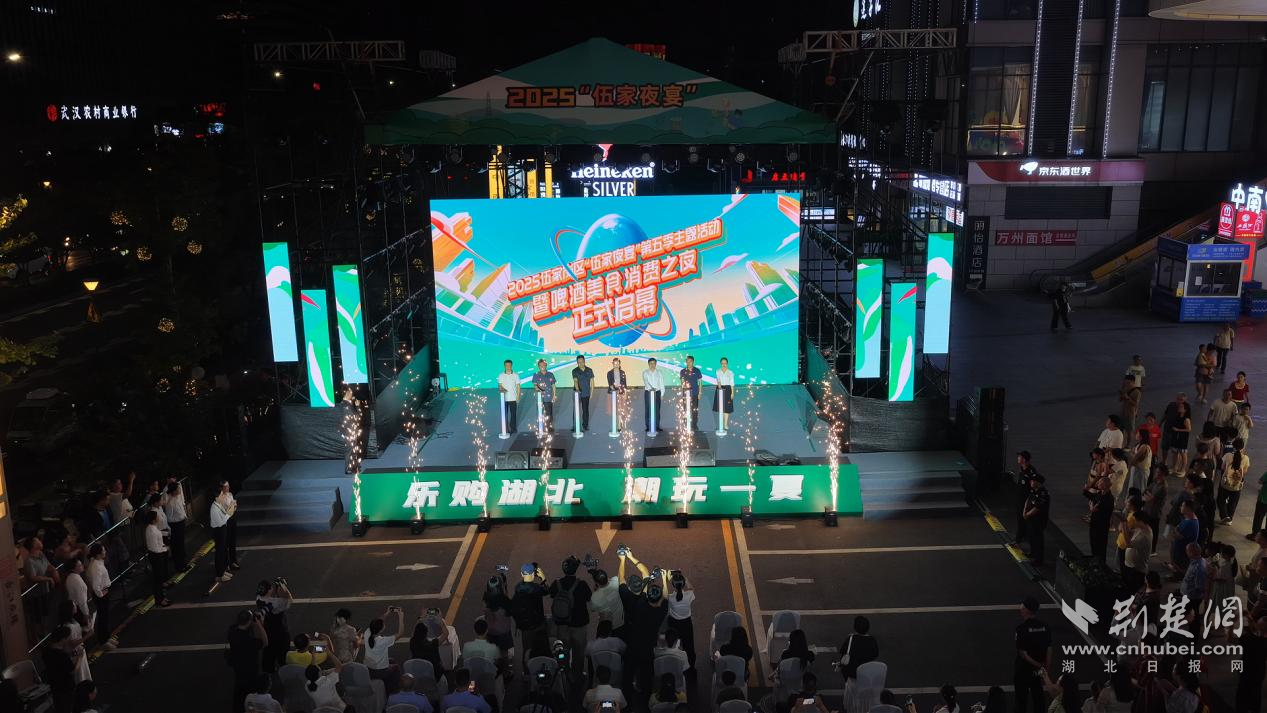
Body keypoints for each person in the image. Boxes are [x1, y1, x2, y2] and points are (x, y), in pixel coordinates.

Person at [549, 555, 592, 670]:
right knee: (579, 653)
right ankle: (577, 674)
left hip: (562, 625)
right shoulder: (582, 584)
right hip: (579, 625)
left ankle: (564, 673)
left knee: (563, 652)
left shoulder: (557, 584)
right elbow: (589, 598)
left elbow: (551, 593)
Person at [1013, 597, 1051, 713]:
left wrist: (1037, 664)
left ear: (1026, 610)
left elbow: (1023, 654)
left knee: (1021, 699)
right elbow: (1049, 648)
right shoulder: (1045, 626)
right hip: (1037, 670)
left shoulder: (1021, 629)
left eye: (1022, 605)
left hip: (1023, 669)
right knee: (1038, 695)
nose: (1020, 607)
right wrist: (1045, 666)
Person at [511, 562, 549, 673]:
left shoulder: (518, 588)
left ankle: (526, 672)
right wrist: (543, 578)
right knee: (541, 647)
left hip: (525, 627)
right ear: (533, 574)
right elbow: (547, 590)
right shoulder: (537, 588)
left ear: (522, 574)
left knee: (527, 649)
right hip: (538, 624)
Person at [228, 609, 268, 713]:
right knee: (250, 693)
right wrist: (259, 624)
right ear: (250, 621)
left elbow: (243, 626)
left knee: (239, 691)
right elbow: (265, 642)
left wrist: (251, 622)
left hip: (238, 666)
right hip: (250, 669)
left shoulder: (232, 631)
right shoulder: (249, 641)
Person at [256, 579, 293, 674]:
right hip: (280, 630)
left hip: (268, 628)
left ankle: (269, 669)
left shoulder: (259, 598)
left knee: (269, 650)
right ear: (269, 590)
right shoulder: (276, 602)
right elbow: (289, 600)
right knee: (283, 651)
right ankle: (284, 667)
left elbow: (272, 600)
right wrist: (284, 587)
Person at [364, 607, 405, 692]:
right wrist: (401, 617)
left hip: (368, 668)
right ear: (381, 629)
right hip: (379, 671)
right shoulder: (383, 641)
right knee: (396, 667)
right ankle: (394, 689)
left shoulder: (367, 633)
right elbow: (400, 633)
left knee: (392, 660)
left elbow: (378, 621)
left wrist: (387, 613)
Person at [665, 569, 696, 669]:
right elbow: (691, 588)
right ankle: (691, 664)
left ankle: (674, 661)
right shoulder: (689, 595)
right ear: (683, 585)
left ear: (673, 586)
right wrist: (686, 580)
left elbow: (664, 594)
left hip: (674, 623)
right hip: (687, 623)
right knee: (689, 645)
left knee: (673, 642)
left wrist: (665, 580)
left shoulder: (670, 597)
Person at [43, 627, 78, 713]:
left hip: (54, 685)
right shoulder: (62, 656)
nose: (69, 640)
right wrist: (79, 658)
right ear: (62, 639)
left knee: (59, 706)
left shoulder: (46, 651)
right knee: (66, 708)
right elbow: (73, 670)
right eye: (68, 637)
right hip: (66, 687)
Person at [211, 481, 240, 583]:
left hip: (223, 527)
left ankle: (222, 571)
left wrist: (232, 508)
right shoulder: (215, 507)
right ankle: (220, 573)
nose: (222, 497)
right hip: (220, 529)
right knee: (220, 551)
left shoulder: (218, 505)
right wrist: (231, 508)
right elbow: (225, 515)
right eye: (221, 496)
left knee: (223, 549)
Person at [143, 510, 172, 607]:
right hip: (156, 556)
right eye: (157, 517)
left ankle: (161, 597)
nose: (159, 518)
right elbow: (155, 548)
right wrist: (165, 548)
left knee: (159, 578)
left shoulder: (152, 528)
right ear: (154, 520)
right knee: (158, 579)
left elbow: (158, 534)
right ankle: (159, 600)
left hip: (157, 555)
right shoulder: (151, 531)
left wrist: (165, 534)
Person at [587, 565, 625, 636]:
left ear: (597, 583)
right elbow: (613, 579)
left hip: (607, 627)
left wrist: (596, 590)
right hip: (621, 622)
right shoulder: (616, 581)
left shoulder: (595, 597)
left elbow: (593, 609)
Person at [85, 544, 111, 645]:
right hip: (101, 594)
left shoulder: (97, 562)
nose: (105, 552)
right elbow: (95, 585)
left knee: (105, 616)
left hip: (103, 592)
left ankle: (106, 637)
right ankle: (103, 640)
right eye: (103, 550)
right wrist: (101, 595)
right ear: (98, 554)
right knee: (103, 617)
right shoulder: (96, 567)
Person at [1219, 438, 1249, 523]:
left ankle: (1224, 516)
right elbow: (1245, 472)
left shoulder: (1228, 455)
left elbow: (1222, 468)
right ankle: (1229, 519)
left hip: (1225, 483)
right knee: (1233, 502)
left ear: (1233, 446)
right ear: (1243, 447)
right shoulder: (1246, 458)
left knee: (1221, 500)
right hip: (1237, 485)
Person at [1024, 475, 1051, 566]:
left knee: (1038, 538)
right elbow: (1028, 499)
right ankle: (1032, 552)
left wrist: (1027, 514)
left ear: (1038, 482)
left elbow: (1037, 508)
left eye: (1033, 481)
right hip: (1031, 518)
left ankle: (1038, 559)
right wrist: (1025, 511)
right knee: (1031, 536)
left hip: (1039, 519)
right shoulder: (1034, 490)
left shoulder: (1043, 494)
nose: (1031, 482)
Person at [1014, 451, 1040, 546]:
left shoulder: (1031, 472)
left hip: (1026, 501)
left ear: (1024, 460)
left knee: (1024, 520)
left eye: (1019, 457)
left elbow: (1034, 487)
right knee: (1020, 519)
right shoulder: (1022, 468)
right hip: (1019, 499)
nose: (1018, 458)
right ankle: (1023, 537)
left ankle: (1019, 539)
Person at [162, 479, 188, 571]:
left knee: (181, 544)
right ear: (173, 491)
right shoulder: (170, 502)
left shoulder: (177, 497)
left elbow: (181, 509)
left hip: (181, 523)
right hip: (175, 525)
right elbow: (170, 516)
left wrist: (184, 517)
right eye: (177, 489)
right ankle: (179, 566)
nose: (179, 490)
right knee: (177, 546)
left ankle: (183, 563)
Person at [1141, 466, 1168, 554]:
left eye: (1158, 472)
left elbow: (1151, 498)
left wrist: (1148, 496)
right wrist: (1148, 496)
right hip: (1147, 509)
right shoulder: (1155, 482)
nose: (1156, 474)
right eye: (1156, 472)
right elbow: (1145, 492)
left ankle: (1152, 550)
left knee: (1153, 531)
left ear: (1163, 474)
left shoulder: (1163, 487)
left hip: (1154, 513)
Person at [1087, 477, 1114, 562]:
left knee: (1100, 545)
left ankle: (1100, 563)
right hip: (1094, 523)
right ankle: (1095, 560)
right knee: (1093, 543)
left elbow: (1095, 509)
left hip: (1101, 526)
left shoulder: (1108, 498)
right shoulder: (1099, 493)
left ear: (1105, 485)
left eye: (1100, 482)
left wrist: (1092, 507)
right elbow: (1088, 495)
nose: (1098, 484)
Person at [1172, 500, 1201, 573]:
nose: (1180, 507)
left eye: (1182, 506)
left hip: (1183, 554)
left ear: (1188, 508)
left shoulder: (1191, 523)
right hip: (1180, 551)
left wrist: (1175, 532)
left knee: (1180, 570)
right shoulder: (1188, 518)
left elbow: (1178, 535)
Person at [531, 359, 557, 432]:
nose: (542, 366)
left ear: (546, 365)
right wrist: (540, 390)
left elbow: (553, 385)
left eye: (544, 365)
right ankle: (541, 427)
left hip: (548, 397)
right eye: (540, 365)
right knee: (540, 412)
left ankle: (548, 427)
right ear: (538, 366)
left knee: (549, 413)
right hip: (540, 398)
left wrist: (554, 395)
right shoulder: (536, 374)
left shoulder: (550, 374)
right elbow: (535, 385)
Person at [1166, 402, 1192, 474]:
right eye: (1179, 406)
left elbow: (1189, 429)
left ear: (1185, 410)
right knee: (1175, 453)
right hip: (1176, 437)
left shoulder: (1186, 419)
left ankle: (1183, 469)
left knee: (1183, 454)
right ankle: (1174, 467)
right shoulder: (1178, 416)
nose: (1179, 407)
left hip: (1182, 439)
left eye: (1181, 407)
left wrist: (1178, 430)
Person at [678, 355, 703, 431]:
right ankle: (686, 424)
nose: (689, 363)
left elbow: (700, 382)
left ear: (693, 362)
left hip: (695, 393)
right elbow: (682, 383)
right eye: (687, 361)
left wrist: (700, 393)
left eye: (690, 361)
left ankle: (694, 425)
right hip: (686, 394)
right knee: (686, 410)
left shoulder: (697, 370)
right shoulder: (682, 371)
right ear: (686, 362)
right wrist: (684, 390)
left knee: (694, 410)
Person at [572, 355, 595, 432]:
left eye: (582, 362)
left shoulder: (589, 370)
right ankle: (575, 426)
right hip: (577, 393)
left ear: (584, 361)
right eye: (579, 362)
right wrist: (578, 390)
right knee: (576, 410)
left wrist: (591, 393)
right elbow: (575, 381)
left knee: (585, 410)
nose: (580, 363)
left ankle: (585, 425)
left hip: (586, 393)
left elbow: (592, 382)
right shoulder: (574, 371)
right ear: (577, 362)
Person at [498, 359, 521, 434]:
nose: (508, 367)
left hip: (513, 398)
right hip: (504, 399)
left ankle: (513, 428)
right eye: (506, 365)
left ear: (511, 365)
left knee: (513, 414)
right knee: (504, 415)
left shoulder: (516, 375)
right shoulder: (501, 375)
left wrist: (518, 396)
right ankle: (505, 429)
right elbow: (500, 386)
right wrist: (502, 389)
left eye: (509, 365)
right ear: (504, 366)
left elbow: (518, 386)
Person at [65, 557, 90, 626]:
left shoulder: (70, 577)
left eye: (81, 564)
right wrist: (86, 613)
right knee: (85, 628)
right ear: (73, 569)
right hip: (79, 609)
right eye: (79, 565)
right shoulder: (77, 580)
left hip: (74, 608)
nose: (82, 566)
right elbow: (82, 600)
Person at [643, 357, 665, 434]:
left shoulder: (659, 372)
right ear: (648, 364)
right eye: (651, 363)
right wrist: (651, 389)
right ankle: (648, 426)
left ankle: (657, 426)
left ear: (656, 364)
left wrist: (662, 394)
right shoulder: (645, 372)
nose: (652, 365)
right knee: (648, 409)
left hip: (657, 392)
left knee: (657, 410)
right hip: (648, 392)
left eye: (654, 363)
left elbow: (662, 383)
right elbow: (646, 382)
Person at [1128, 429, 1153, 497]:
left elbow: (1135, 457)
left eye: (1137, 434)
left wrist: (1132, 458)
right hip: (1137, 469)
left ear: (1141, 437)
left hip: (1141, 471)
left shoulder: (1144, 446)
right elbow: (1133, 454)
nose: (1136, 435)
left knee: (1139, 488)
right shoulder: (1138, 445)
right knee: (1133, 486)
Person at [713, 356, 735, 431]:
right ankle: (721, 423)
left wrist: (732, 393)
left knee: (727, 408)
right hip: (720, 389)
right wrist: (720, 388)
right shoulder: (718, 371)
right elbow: (718, 381)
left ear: (727, 363)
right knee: (721, 407)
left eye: (725, 363)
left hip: (728, 389)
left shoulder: (730, 372)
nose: (724, 364)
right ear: (720, 363)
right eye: (722, 363)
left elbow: (732, 383)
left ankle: (725, 424)